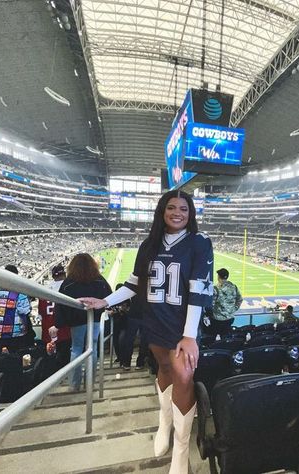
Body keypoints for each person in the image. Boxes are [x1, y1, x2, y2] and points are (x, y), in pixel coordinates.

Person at [79, 190, 213, 474]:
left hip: (182, 325)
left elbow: (199, 288)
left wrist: (189, 334)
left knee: (184, 377)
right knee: (163, 368)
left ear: (191, 214)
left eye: (184, 209)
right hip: (155, 320)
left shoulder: (200, 242)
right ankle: (165, 421)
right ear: (162, 212)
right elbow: (132, 284)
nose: (177, 213)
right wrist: (105, 302)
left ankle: (180, 448)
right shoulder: (148, 245)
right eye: (171, 207)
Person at [53, 254, 112, 391]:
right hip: (95, 320)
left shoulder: (68, 282)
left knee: (76, 349)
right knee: (93, 349)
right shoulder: (99, 280)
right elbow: (109, 296)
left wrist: (61, 322)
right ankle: (90, 383)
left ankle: (74, 384)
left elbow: (61, 304)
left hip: (77, 321)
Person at [0, 264, 35, 351]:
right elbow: (25, 311)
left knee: (4, 357)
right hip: (16, 334)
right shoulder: (19, 292)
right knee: (17, 357)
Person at [38, 264, 71, 369]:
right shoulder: (68, 287)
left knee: (50, 359)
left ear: (52, 276)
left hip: (48, 329)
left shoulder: (44, 289)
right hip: (63, 329)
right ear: (64, 274)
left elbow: (41, 314)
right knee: (65, 357)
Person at [210, 268, 243, 336]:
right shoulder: (234, 287)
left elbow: (211, 305)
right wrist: (234, 309)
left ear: (218, 277)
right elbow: (240, 299)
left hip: (217, 320)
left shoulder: (216, 289)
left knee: (215, 337)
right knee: (226, 336)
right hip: (230, 318)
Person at [120, 296, 148, 371]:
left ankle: (127, 363)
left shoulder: (134, 285)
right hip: (145, 314)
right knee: (144, 340)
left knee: (129, 339)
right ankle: (140, 362)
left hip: (134, 314)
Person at [108, 283, 129, 368]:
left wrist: (123, 310)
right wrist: (112, 312)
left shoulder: (127, 299)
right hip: (116, 324)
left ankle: (123, 360)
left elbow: (129, 310)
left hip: (124, 324)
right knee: (116, 342)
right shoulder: (114, 299)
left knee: (121, 341)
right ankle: (120, 358)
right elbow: (108, 310)